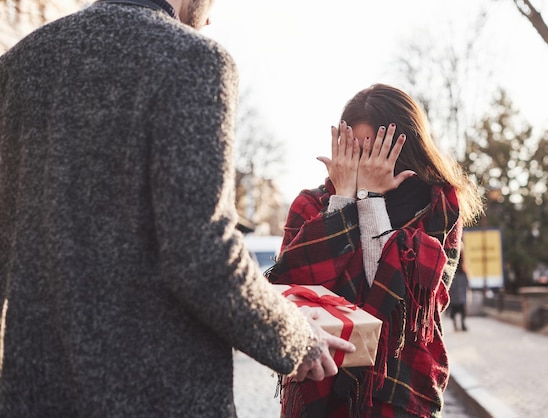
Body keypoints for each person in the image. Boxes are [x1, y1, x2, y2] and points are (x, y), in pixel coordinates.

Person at [0, 1, 355, 416]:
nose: (210, 17)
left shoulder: (18, 65)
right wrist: (297, 338)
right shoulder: (194, 60)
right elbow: (202, 254)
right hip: (155, 398)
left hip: (32, 398)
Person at [267, 84, 484, 418]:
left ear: (404, 149)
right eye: (355, 151)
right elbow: (299, 294)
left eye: (376, 152)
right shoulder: (311, 205)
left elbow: (400, 305)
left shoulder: (438, 209)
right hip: (320, 389)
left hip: (399, 388)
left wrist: (370, 201)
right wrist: (342, 201)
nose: (363, 164)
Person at [448, 249, 470, 331]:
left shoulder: (452, 260)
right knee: (461, 308)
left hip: (455, 282)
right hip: (459, 288)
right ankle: (462, 324)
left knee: (455, 308)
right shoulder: (463, 269)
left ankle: (457, 324)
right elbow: (467, 283)